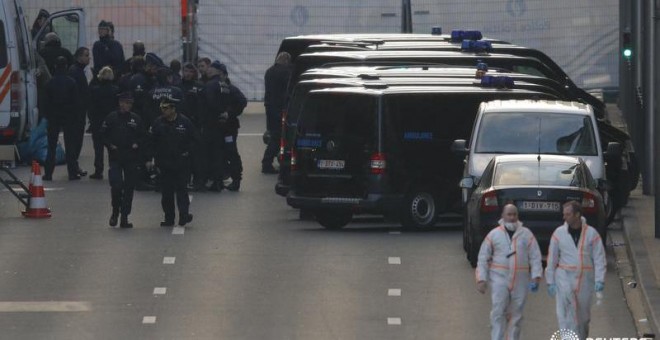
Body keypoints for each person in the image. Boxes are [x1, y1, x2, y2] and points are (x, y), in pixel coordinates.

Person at [476, 204, 543, 340]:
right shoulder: (494, 235)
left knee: (516, 314)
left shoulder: (526, 234)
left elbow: (535, 256)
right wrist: (481, 279)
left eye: (514, 214)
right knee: (498, 312)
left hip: (520, 280)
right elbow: (483, 257)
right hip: (499, 280)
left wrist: (536, 276)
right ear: (503, 216)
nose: (512, 218)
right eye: (509, 214)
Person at [546, 201, 606, 339]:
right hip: (564, 278)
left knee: (582, 317)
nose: (564, 217)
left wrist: (599, 280)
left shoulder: (592, 234)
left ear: (577, 215)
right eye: (564, 214)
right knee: (565, 314)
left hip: (585, 280)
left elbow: (599, 258)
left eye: (567, 214)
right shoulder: (559, 233)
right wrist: (550, 281)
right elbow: (552, 258)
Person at [147, 97, 195, 227]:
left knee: (182, 190)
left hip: (181, 162)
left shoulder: (185, 122)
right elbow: (151, 142)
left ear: (173, 109)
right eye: (162, 108)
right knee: (167, 193)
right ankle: (169, 218)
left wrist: (188, 154)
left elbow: (193, 140)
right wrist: (149, 159)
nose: (164, 111)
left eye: (166, 108)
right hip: (164, 163)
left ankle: (184, 215)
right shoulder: (158, 123)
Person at [100, 92, 144, 228]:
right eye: (125, 103)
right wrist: (110, 145)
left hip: (131, 157)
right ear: (120, 103)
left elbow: (143, 136)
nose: (127, 106)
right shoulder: (112, 117)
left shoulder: (135, 119)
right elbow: (102, 135)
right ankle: (115, 212)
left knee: (129, 187)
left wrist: (137, 143)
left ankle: (125, 216)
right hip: (116, 156)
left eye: (130, 103)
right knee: (116, 185)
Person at [202, 61, 247, 192]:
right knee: (225, 153)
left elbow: (242, 101)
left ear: (222, 74)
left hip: (223, 127)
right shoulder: (226, 87)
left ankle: (224, 180)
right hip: (225, 127)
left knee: (225, 152)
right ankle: (229, 179)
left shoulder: (226, 87)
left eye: (213, 69)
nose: (209, 70)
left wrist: (228, 113)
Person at [43, 57, 80, 181]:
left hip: (54, 117)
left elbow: (45, 103)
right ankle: (72, 173)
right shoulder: (71, 82)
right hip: (68, 116)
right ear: (66, 67)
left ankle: (48, 173)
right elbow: (76, 102)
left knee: (51, 146)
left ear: (55, 66)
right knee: (70, 146)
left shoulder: (50, 83)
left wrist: (47, 116)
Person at [262, 52, 291, 174]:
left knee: (274, 134)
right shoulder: (286, 72)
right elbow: (288, 91)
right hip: (280, 108)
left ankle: (268, 162)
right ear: (285, 61)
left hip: (270, 108)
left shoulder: (269, 71)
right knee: (278, 137)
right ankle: (267, 163)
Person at [180, 63, 206, 191]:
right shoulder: (178, 86)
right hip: (180, 123)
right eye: (186, 71)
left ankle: (198, 180)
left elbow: (203, 105)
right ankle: (183, 179)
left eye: (190, 71)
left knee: (196, 154)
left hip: (195, 124)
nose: (188, 74)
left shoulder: (199, 86)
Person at [89, 67, 120, 179]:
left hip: (97, 121)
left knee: (98, 147)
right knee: (112, 146)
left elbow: (91, 107)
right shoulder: (116, 90)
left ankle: (99, 170)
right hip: (111, 121)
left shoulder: (95, 90)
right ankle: (114, 169)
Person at [69, 47, 92, 177]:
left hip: (78, 111)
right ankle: (73, 167)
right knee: (75, 140)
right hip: (76, 112)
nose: (89, 58)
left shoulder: (77, 70)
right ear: (79, 57)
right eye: (86, 55)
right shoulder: (76, 72)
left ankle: (74, 165)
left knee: (77, 140)